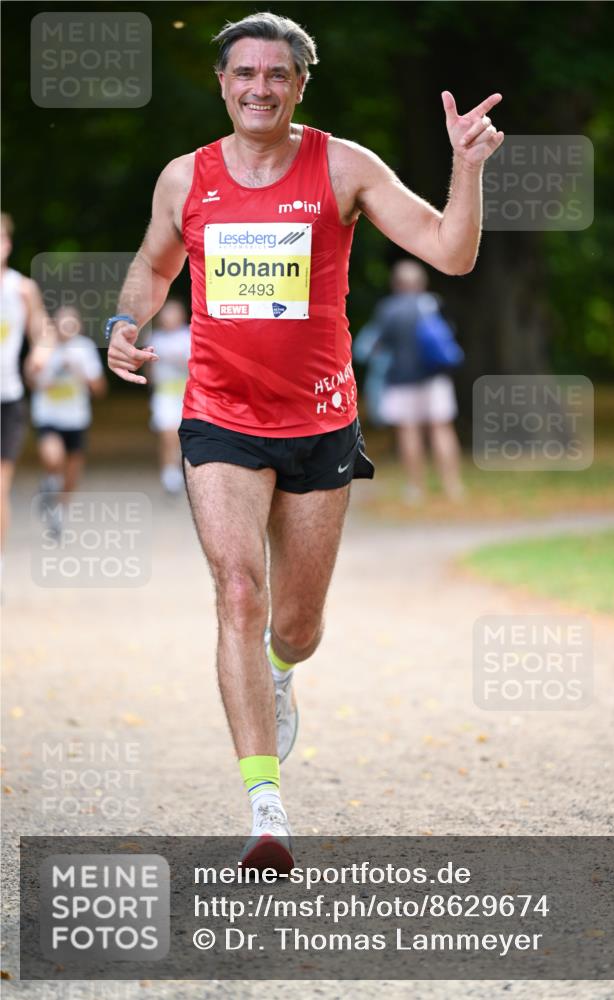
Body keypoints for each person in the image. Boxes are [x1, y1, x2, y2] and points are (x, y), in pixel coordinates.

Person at [106, 11, 503, 869]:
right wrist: (123, 322)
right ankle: (265, 809)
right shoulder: (186, 178)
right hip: (220, 416)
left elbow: (450, 252)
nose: (259, 87)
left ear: (298, 84)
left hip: (320, 422)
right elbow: (153, 265)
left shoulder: (344, 167)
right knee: (237, 592)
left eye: (276, 74)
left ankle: (280, 671)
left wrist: (466, 169)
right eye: (244, 73)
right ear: (222, 83)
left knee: (296, 624)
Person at [373, 259, 465, 503]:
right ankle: (453, 486)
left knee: (409, 431)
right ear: (421, 283)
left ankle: (415, 488)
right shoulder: (432, 303)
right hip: (435, 377)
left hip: (401, 379)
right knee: (442, 428)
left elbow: (380, 344)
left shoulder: (388, 309)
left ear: (396, 284)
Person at [0, 212, 53, 560]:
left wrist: (40, 353)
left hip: (7, 399)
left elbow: (43, 332)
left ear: (7, 244)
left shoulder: (21, 289)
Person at [30, 305, 106, 534]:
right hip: (48, 416)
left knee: (72, 473)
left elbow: (99, 389)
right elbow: (30, 378)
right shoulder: (44, 346)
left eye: (71, 322)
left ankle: (59, 512)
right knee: (53, 458)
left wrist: (80, 373)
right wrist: (41, 376)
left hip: (76, 419)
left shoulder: (85, 348)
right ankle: (49, 484)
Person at [145, 298, 191, 495]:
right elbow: (149, 368)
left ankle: (181, 468)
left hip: (186, 394)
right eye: (166, 313)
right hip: (164, 394)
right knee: (167, 433)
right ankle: (169, 473)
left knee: (182, 436)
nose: (169, 317)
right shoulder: (155, 338)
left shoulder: (189, 336)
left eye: (173, 313)